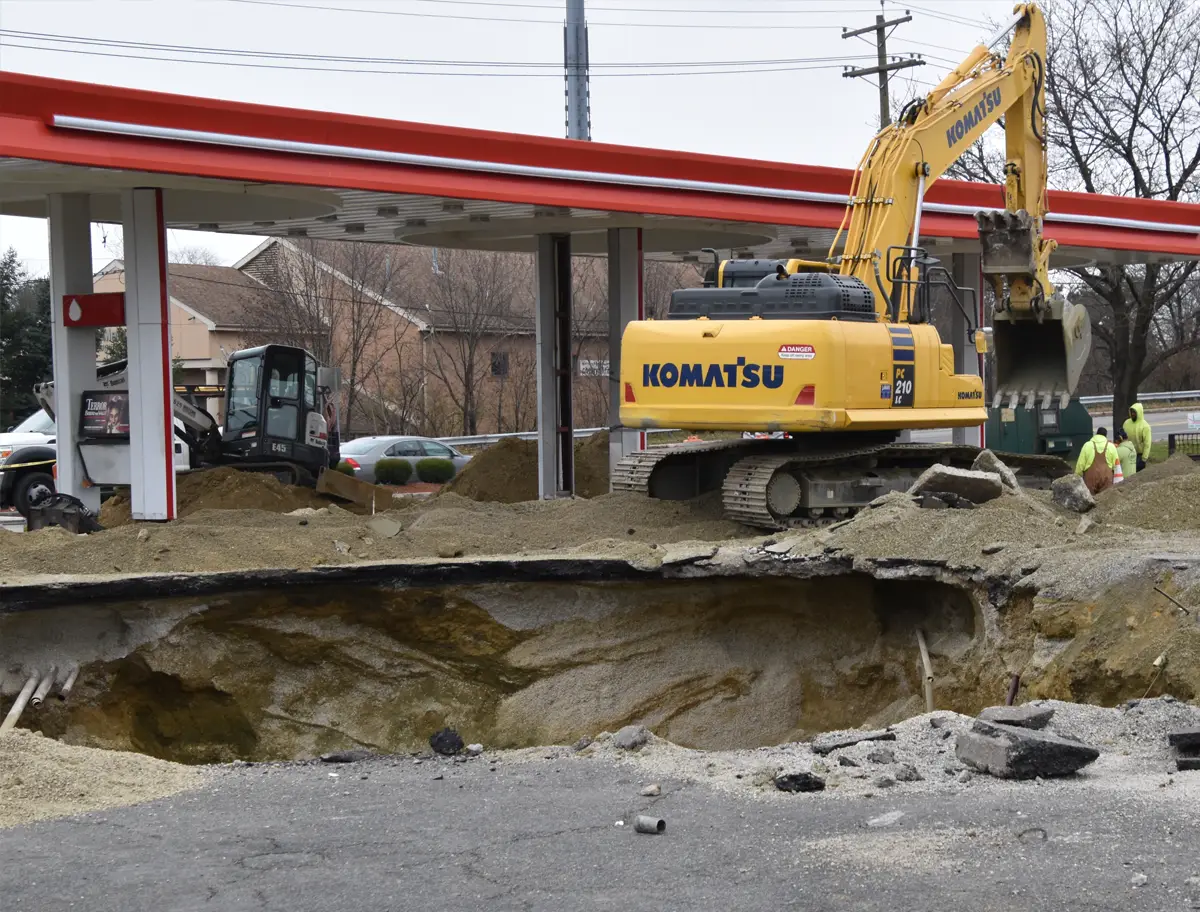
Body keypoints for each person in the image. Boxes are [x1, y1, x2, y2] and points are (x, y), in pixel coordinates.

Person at [1075, 426, 1118, 495]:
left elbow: (1080, 464)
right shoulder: (1111, 446)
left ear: (1096, 434)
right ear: (1105, 436)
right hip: (1107, 478)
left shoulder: (1087, 445)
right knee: (1106, 499)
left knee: (1090, 500)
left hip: (1090, 478)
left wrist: (1077, 476)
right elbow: (1116, 465)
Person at [1123, 402, 1152, 472]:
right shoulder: (1126, 423)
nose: (1132, 414)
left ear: (1139, 413)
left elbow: (1147, 444)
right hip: (1127, 453)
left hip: (1139, 455)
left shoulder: (1145, 426)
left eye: (1134, 412)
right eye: (1131, 412)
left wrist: (1144, 459)